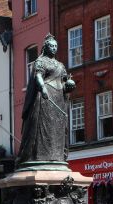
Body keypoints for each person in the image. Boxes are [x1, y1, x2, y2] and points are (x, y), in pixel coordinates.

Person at [17, 34, 76, 166]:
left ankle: (56, 155)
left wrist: (70, 85)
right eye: (51, 46)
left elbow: (64, 81)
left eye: (56, 46)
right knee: (43, 128)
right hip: (46, 98)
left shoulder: (60, 65)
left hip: (59, 98)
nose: (54, 48)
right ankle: (39, 155)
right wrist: (42, 87)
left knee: (57, 128)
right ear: (46, 47)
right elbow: (38, 75)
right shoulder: (41, 61)